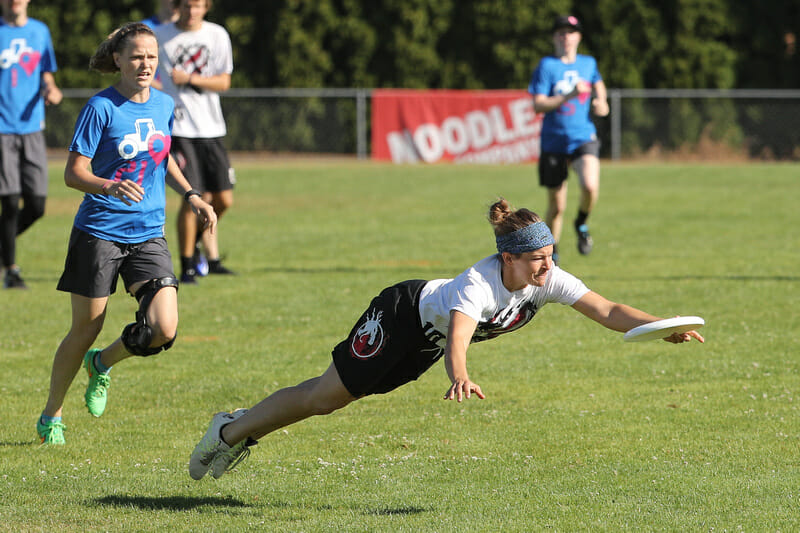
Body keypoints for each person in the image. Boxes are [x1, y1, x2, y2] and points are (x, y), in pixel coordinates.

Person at [187, 198, 704, 480]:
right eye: (538, 258)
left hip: (423, 342)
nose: (549, 265)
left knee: (331, 399)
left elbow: (607, 309)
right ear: (509, 258)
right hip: (400, 315)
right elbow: (459, 335)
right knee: (325, 398)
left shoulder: (549, 278)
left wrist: (659, 327)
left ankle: (237, 429)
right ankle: (231, 430)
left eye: (550, 254)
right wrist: (460, 376)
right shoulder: (479, 283)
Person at [35, 22, 217, 445]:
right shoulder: (101, 108)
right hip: (98, 231)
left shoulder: (163, 105)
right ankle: (52, 415)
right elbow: (72, 173)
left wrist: (191, 194)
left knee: (164, 328)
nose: (145, 64)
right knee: (86, 329)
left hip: (148, 232)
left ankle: (102, 365)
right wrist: (108, 185)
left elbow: (162, 155)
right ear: (118, 59)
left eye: (152, 57)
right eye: (136, 56)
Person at [154, 0, 235, 284]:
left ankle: (198, 245)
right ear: (179, 6)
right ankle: (187, 265)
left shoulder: (217, 34)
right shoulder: (160, 34)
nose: (193, 10)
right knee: (193, 197)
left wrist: (189, 78)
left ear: (207, 7)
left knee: (224, 199)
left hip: (212, 128)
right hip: (179, 129)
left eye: (198, 5)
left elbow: (224, 82)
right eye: (188, 5)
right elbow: (138, 63)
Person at [528, 14, 609, 265]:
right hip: (554, 142)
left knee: (590, 186)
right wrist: (568, 95)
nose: (566, 37)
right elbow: (538, 104)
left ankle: (581, 223)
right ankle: (553, 251)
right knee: (556, 206)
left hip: (582, 136)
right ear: (554, 37)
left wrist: (602, 102)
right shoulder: (547, 66)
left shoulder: (588, 63)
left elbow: (598, 83)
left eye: (571, 32)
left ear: (579, 37)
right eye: (561, 32)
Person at [0, 0, 62, 289]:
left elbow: (45, 72)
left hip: (32, 126)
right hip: (2, 128)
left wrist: (51, 88)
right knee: (10, 201)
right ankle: (11, 269)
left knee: (36, 204)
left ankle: (3, 246)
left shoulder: (40, 31)